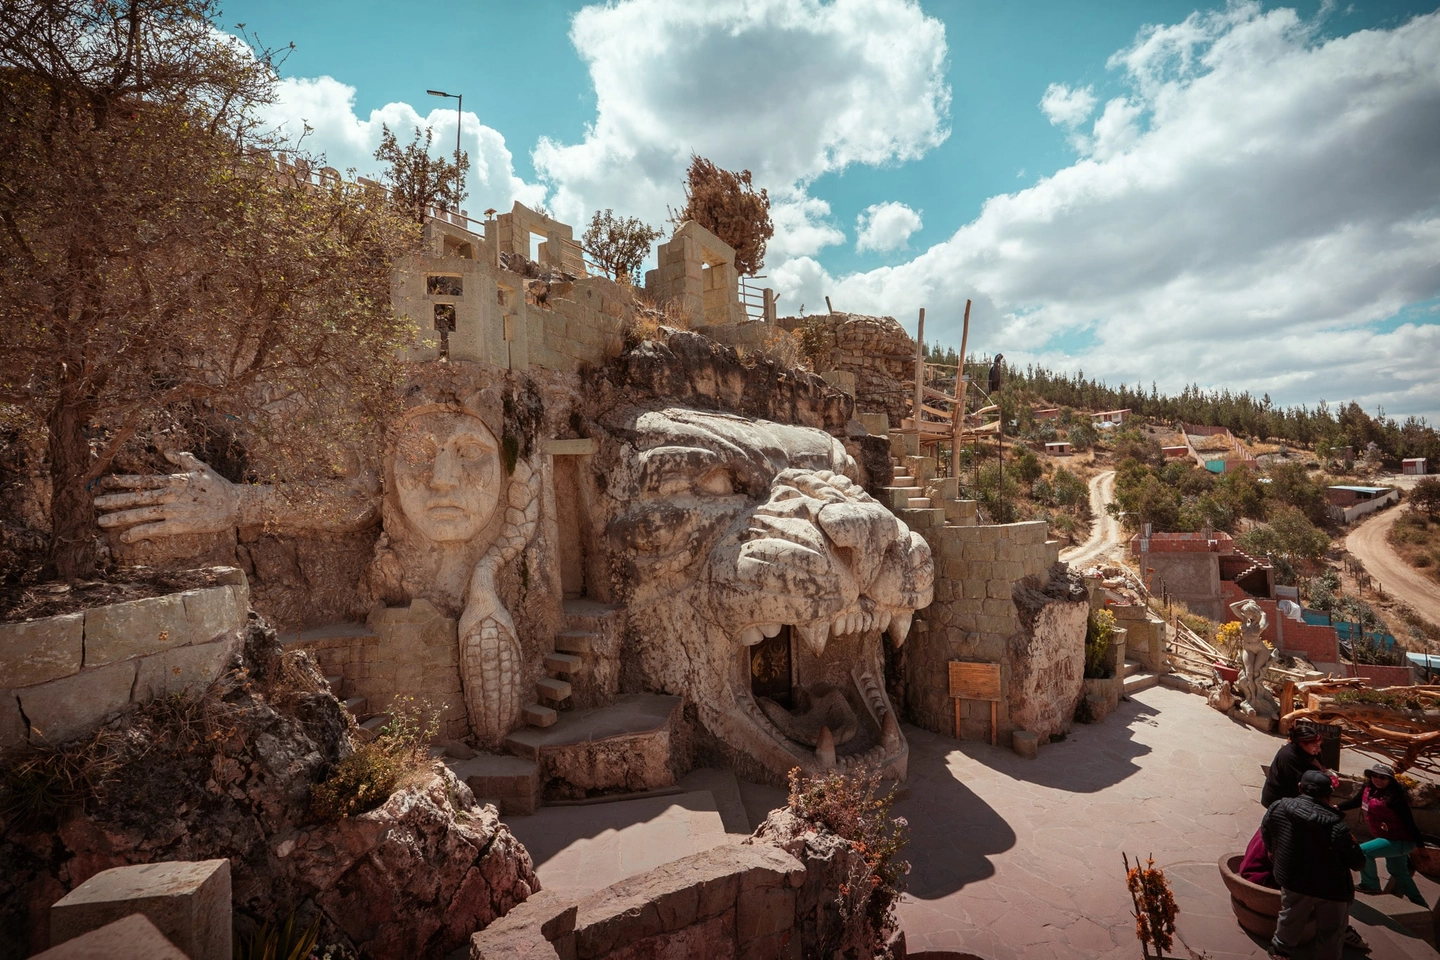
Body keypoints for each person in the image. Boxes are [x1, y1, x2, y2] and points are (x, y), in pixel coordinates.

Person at [1261, 770, 1365, 959]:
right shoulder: (1337, 826)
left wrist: (1272, 850)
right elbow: (1358, 862)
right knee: (1331, 933)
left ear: (1300, 787)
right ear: (1329, 794)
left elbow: (1266, 830)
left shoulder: (1278, 807)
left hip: (1293, 880)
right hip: (1331, 890)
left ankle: (1280, 953)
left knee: (1289, 919)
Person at [1338, 762, 1429, 906]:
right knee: (1398, 872)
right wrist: (1337, 807)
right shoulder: (1369, 789)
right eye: (1375, 776)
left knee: (1362, 852)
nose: (1378, 780)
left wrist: (1422, 851)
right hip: (1388, 838)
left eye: (1383, 777)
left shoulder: (1396, 799)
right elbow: (1356, 802)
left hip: (1400, 841)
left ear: (1390, 780)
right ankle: (1420, 904)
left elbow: (1411, 826)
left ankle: (1370, 885)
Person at [1261, 723, 1333, 808]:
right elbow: (1297, 782)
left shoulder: (1310, 753)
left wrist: (1321, 769)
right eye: (1315, 745)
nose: (1319, 749)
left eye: (1319, 745)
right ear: (1302, 743)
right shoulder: (1287, 756)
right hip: (1278, 800)